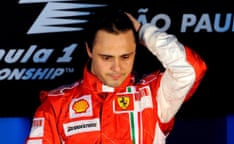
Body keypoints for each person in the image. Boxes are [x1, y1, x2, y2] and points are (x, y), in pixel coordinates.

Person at [25, 7, 207, 144]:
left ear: (137, 49)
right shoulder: (56, 106)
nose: (117, 67)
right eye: (107, 58)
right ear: (89, 50)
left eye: (126, 56)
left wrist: (143, 32)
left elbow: (190, 69)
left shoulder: (153, 95)